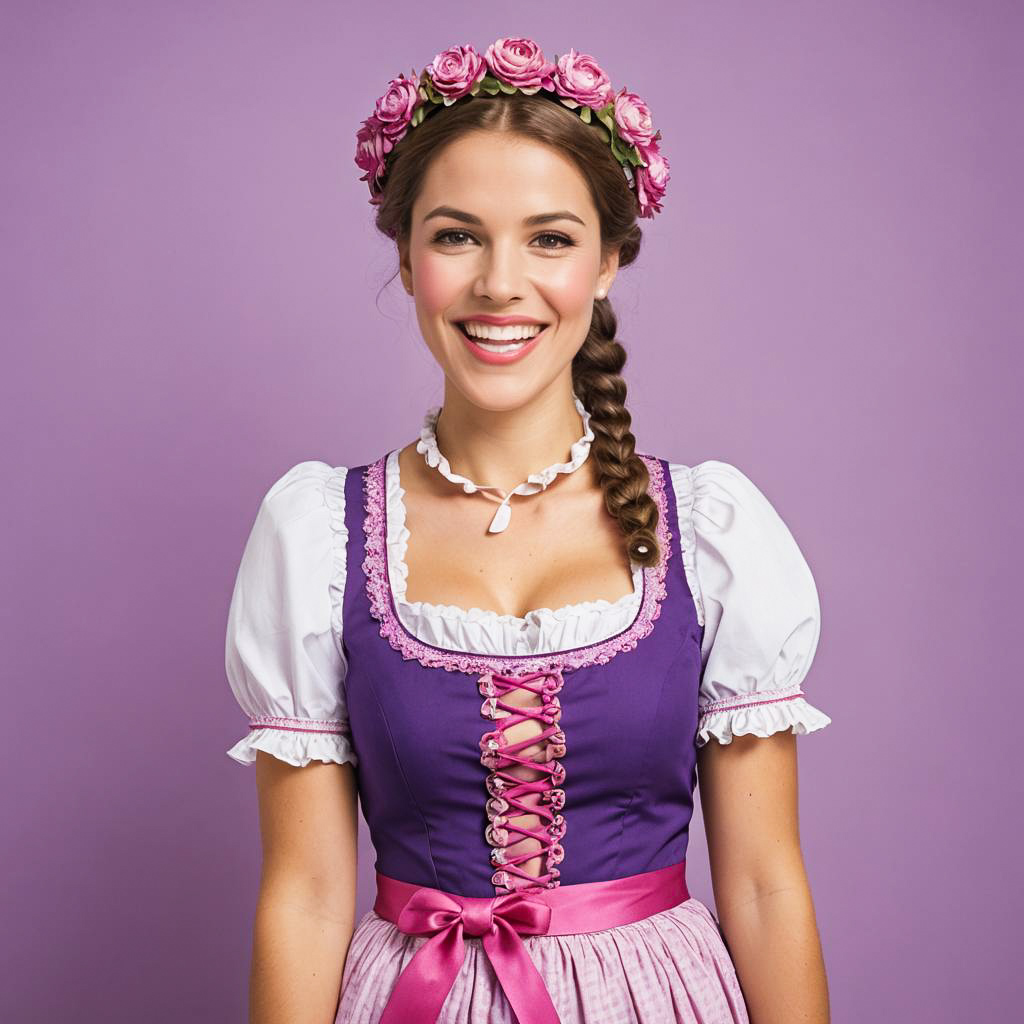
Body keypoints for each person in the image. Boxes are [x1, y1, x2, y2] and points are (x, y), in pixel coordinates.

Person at [225, 37, 832, 1024]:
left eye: (549, 238)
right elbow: (305, 893)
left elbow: (763, 885)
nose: (500, 284)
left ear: (608, 261)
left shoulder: (713, 531)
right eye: (457, 235)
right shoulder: (315, 536)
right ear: (407, 254)